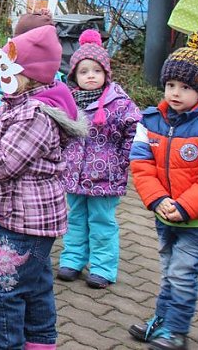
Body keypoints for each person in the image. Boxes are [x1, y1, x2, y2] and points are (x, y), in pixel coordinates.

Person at [0, 25, 87, 350]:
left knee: (4, 291)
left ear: (30, 76)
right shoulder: (20, 103)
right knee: (35, 288)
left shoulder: (34, 115)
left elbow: (3, 163)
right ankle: (40, 343)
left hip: (27, 222)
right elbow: (0, 141)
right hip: (25, 219)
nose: (2, 76)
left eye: (9, 70)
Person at [127, 30, 198, 350]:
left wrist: (185, 206)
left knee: (182, 273)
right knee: (168, 271)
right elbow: (141, 165)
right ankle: (162, 321)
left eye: (185, 87)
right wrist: (159, 199)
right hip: (164, 213)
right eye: (171, 84)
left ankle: (177, 332)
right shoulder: (151, 120)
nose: (175, 92)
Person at [57, 29, 140, 289]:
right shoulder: (68, 102)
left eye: (96, 70)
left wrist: (123, 160)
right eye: (83, 71)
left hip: (105, 177)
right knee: (75, 219)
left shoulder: (119, 103)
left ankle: (103, 267)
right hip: (74, 174)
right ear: (74, 76)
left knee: (102, 222)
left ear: (106, 73)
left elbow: (134, 131)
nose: (90, 76)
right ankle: (73, 259)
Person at [0, 10, 58, 260]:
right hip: (5, 147)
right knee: (6, 197)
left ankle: (9, 244)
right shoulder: (7, 77)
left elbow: (3, 165)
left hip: (28, 207)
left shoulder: (35, 111)